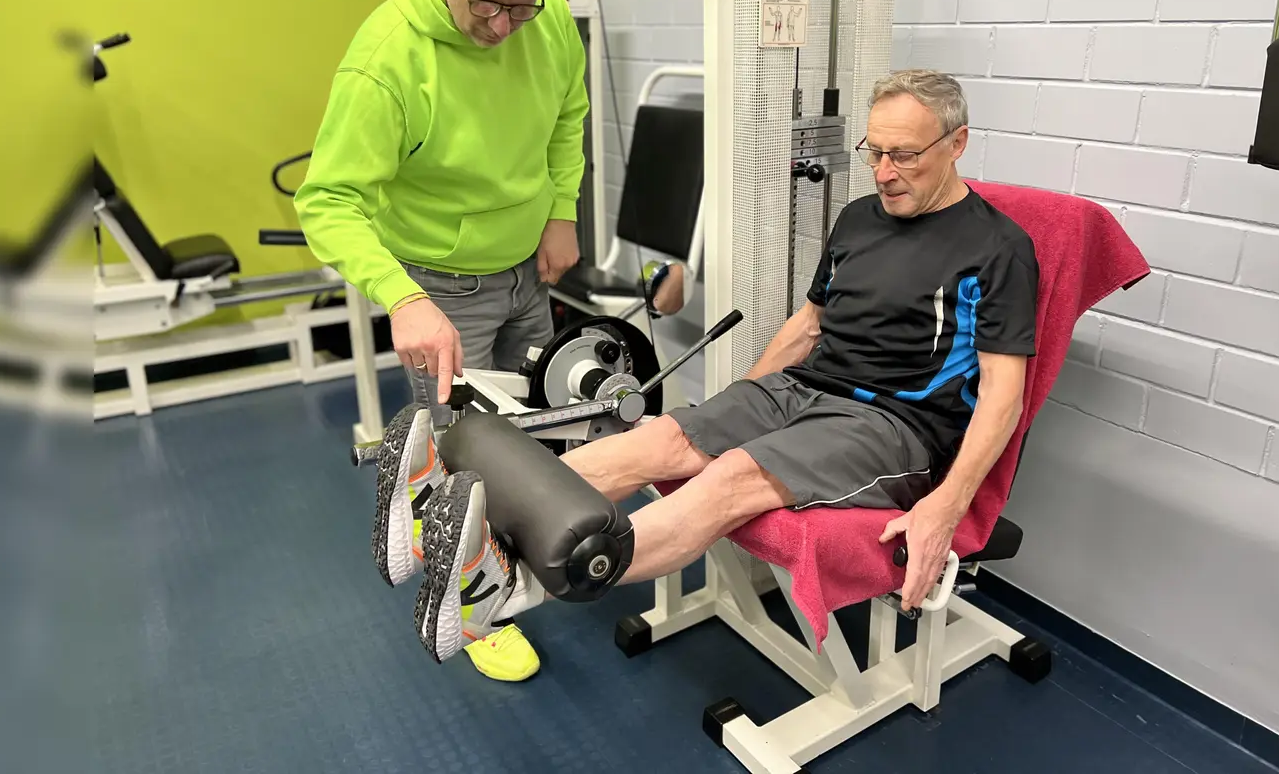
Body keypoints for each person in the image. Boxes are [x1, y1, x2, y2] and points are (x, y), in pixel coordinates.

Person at [401, 68, 1042, 668]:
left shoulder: (999, 248)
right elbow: (808, 325)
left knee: (730, 476)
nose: (882, 171)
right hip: (799, 390)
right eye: (872, 151)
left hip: (891, 424)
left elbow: (1002, 398)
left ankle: (512, 587)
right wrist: (743, 400)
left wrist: (946, 508)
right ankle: (456, 531)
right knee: (657, 438)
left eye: (903, 155)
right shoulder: (857, 218)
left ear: (957, 143)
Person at [295, 0, 584, 679]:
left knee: (548, 424)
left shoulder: (546, 13)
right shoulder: (386, 60)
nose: (502, 24)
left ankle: (528, 563)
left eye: (519, 4)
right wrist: (404, 297)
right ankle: (472, 600)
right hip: (442, 285)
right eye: (487, 2)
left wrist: (561, 209)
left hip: (528, 265)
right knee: (462, 453)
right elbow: (328, 200)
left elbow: (569, 114)